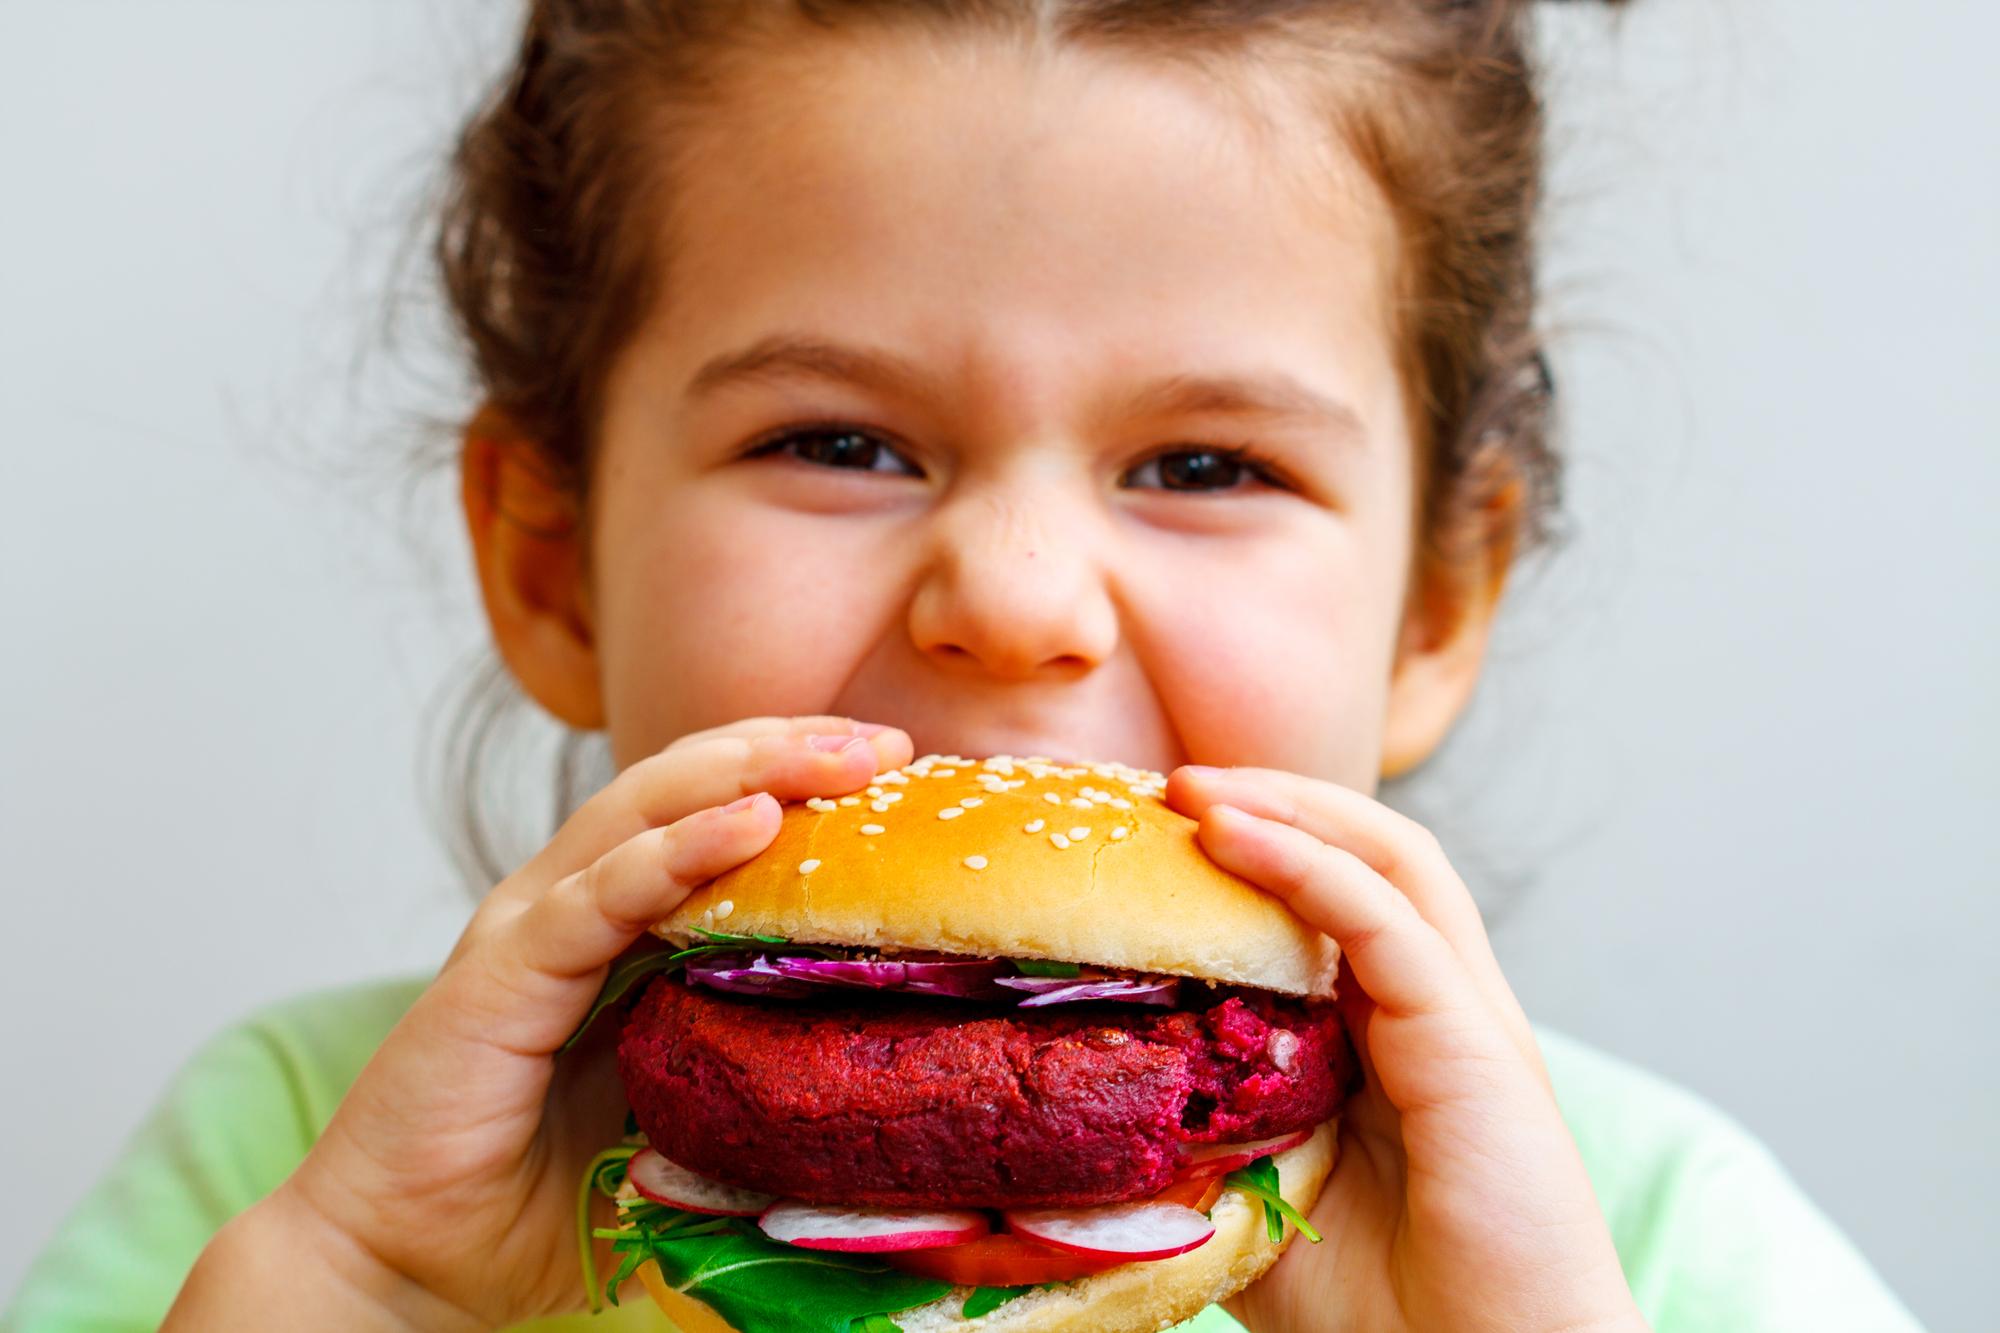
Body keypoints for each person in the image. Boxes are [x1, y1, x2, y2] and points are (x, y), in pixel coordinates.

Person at [5, 2, 1925, 1331]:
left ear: (1436, 606)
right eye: (838, 442)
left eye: (1204, 466)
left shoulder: (1658, 1235)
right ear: (551, 556)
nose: (1011, 600)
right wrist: (362, 1296)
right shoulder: (292, 1162)